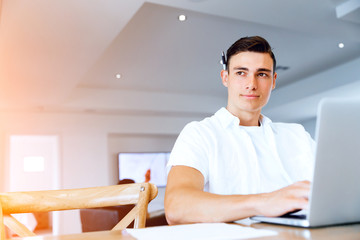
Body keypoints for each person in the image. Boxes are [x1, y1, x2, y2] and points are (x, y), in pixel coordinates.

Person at [164, 36, 315, 225]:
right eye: (241, 73)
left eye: (262, 74)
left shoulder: (297, 135)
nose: (251, 84)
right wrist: (264, 202)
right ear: (225, 78)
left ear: (273, 80)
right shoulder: (200, 133)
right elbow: (177, 207)